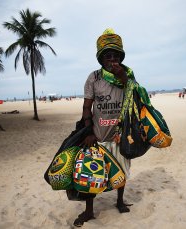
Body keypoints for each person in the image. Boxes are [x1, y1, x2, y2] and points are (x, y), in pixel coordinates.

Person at [75, 28, 133, 227]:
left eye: (115, 55)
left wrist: (123, 78)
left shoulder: (127, 75)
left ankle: (119, 201)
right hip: (98, 135)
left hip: (119, 134)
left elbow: (135, 97)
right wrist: (89, 131)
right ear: (101, 59)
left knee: (122, 170)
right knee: (91, 173)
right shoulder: (94, 78)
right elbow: (86, 107)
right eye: (108, 56)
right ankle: (89, 211)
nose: (112, 59)